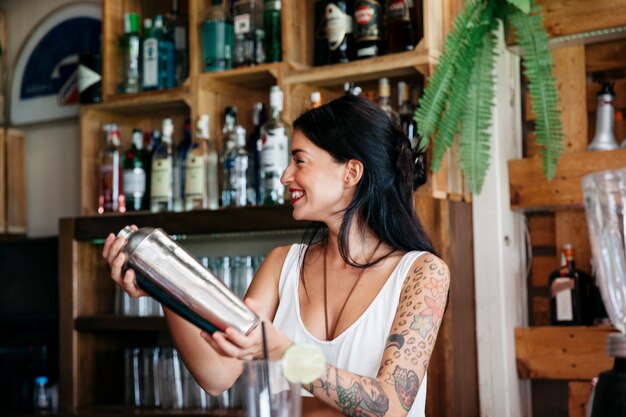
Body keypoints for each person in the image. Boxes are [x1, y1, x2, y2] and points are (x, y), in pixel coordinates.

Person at [103, 94, 450, 417]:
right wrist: (163, 284)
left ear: (351, 172)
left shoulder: (423, 274)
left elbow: (390, 406)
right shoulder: (281, 264)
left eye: (299, 160)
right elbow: (216, 376)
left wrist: (286, 353)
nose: (285, 176)